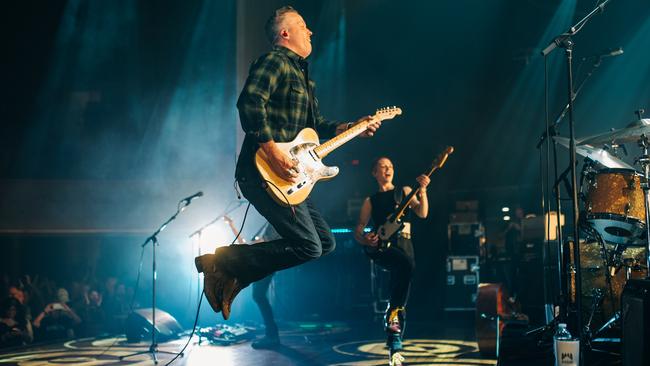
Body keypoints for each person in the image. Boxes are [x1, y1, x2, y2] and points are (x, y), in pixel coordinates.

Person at [195, 5, 381, 320]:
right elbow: (250, 102)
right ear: (285, 33)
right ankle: (222, 261)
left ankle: (233, 274)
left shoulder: (305, 79)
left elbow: (317, 125)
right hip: (263, 172)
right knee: (308, 245)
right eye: (304, 26)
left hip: (291, 180)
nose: (311, 32)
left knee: (324, 243)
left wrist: (352, 127)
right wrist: (272, 150)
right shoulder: (273, 62)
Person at [354, 157, 430, 366]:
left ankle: (394, 341)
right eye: (383, 166)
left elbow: (422, 213)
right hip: (383, 248)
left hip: (405, 246)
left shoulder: (405, 191)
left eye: (391, 166)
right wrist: (365, 238)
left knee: (400, 289)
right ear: (374, 172)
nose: (388, 169)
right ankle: (393, 324)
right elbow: (359, 228)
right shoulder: (371, 200)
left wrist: (422, 191)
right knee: (405, 268)